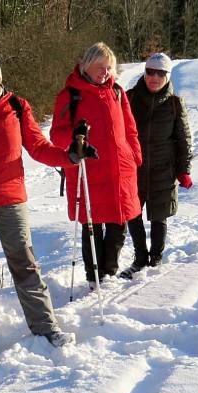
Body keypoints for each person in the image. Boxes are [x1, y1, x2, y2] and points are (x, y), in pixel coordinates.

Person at [0, 43, 93, 347]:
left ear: (0, 78)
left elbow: (38, 146)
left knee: (24, 260)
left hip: (11, 196)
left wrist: (71, 157)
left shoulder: (17, 106)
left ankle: (45, 324)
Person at [50, 42, 142, 288]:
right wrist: (74, 141)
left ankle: (108, 273)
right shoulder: (70, 95)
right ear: (86, 65)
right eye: (100, 67)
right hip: (87, 170)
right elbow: (56, 135)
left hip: (120, 169)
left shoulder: (118, 92)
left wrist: (134, 155)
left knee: (118, 223)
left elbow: (130, 128)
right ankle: (94, 278)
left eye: (109, 67)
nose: (105, 72)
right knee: (92, 224)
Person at [119, 52, 193, 278]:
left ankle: (155, 259)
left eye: (160, 73)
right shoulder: (129, 98)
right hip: (134, 169)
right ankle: (140, 258)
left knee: (159, 216)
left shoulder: (174, 104)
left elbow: (184, 139)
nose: (154, 77)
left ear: (167, 76)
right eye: (150, 72)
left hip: (164, 169)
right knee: (133, 214)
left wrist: (184, 170)